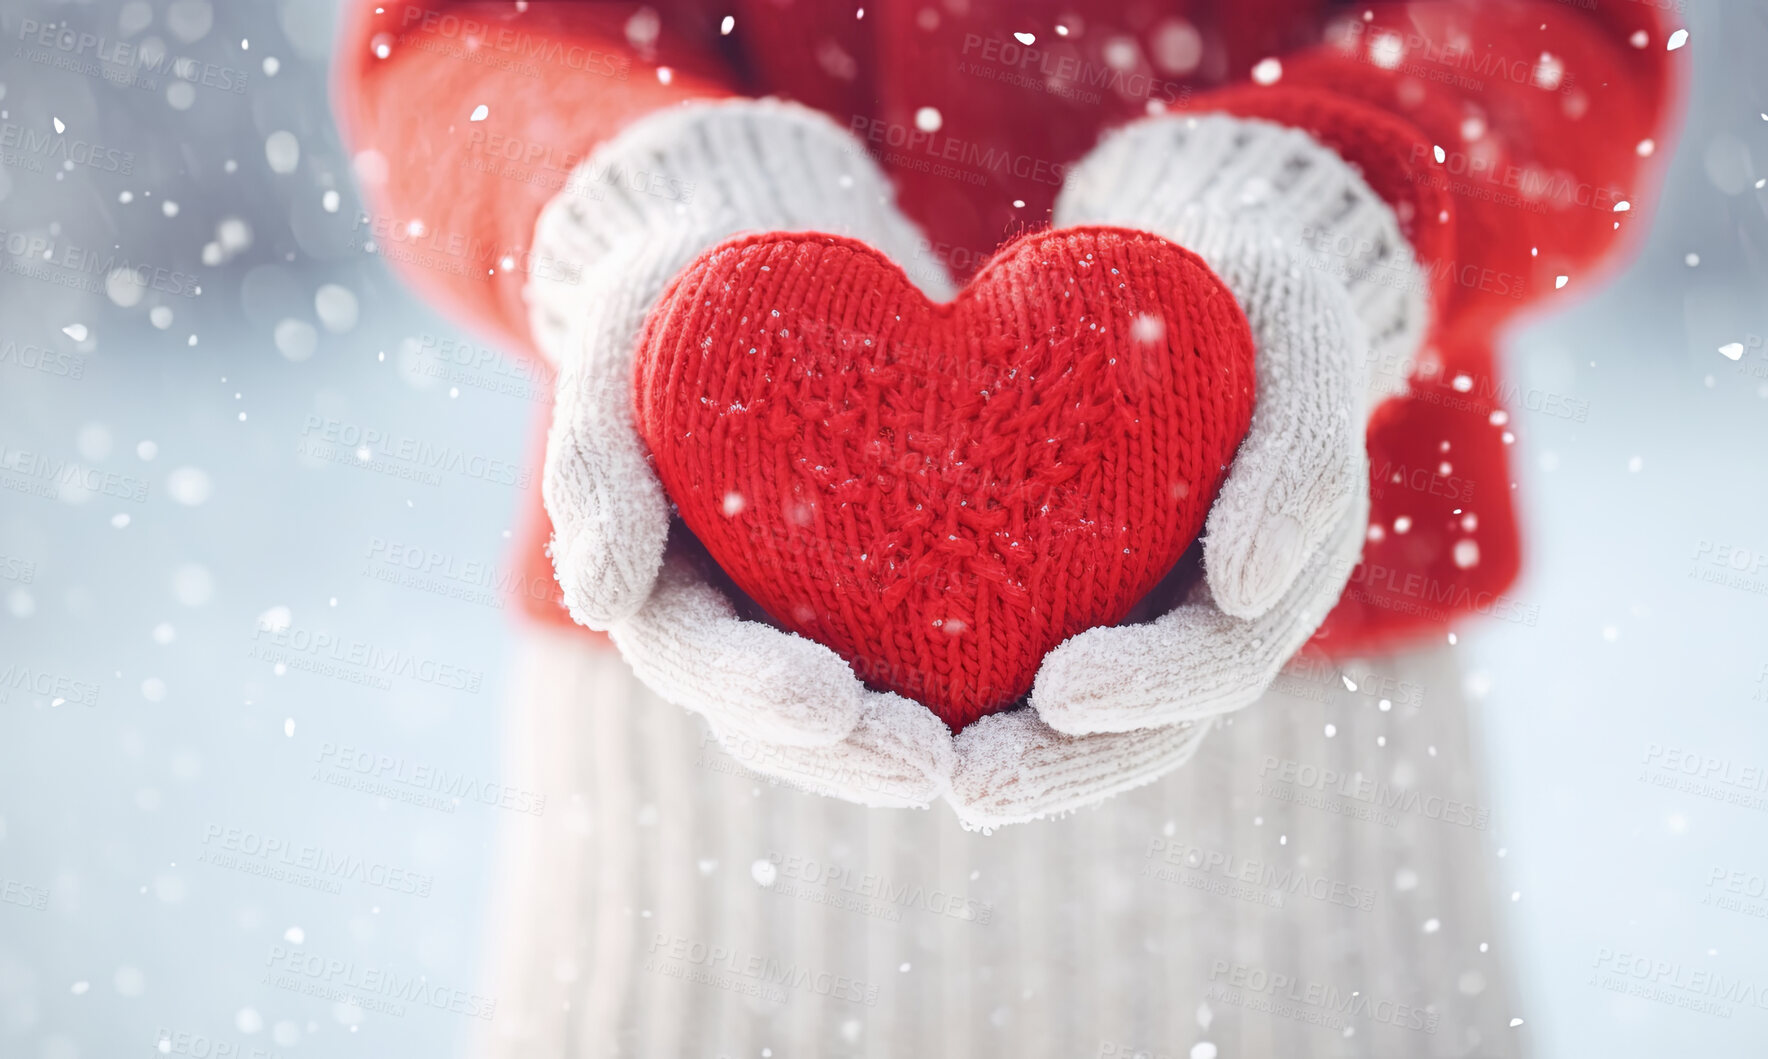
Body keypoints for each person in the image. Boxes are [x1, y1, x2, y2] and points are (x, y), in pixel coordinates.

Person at [334, 2, 1682, 1054]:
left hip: (1310, 796)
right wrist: (641, 194)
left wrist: (1324, 196)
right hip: (685, 758)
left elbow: (1564, 31)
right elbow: (462, 33)